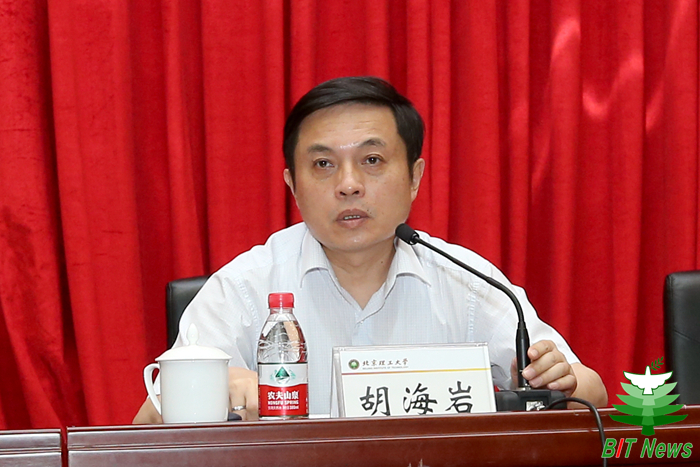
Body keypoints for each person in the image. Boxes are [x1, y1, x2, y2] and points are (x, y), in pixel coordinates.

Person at [134, 76, 607, 423]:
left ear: (415, 177)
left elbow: (592, 393)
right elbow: (144, 426)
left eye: (372, 160)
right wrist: (206, 391)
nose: (348, 185)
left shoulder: (466, 282)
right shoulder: (244, 287)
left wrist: (560, 380)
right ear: (292, 186)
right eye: (323, 164)